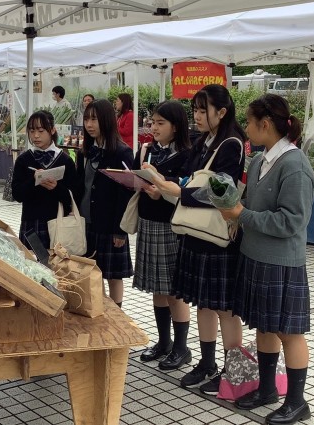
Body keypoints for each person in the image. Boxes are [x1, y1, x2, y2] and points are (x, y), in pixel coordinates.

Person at [220, 94, 314, 425]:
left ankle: (297, 402)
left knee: (289, 332)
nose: (245, 128)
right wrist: (233, 208)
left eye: (249, 122)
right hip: (255, 255)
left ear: (265, 124)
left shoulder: (295, 165)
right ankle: (267, 389)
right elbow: (252, 205)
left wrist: (241, 215)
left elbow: (292, 221)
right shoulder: (260, 160)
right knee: (264, 325)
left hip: (281, 262)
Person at [150, 84, 245, 395]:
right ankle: (207, 363)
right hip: (195, 232)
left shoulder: (231, 144)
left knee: (224, 308)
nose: (198, 116)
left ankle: (232, 371)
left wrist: (180, 192)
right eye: (195, 110)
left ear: (222, 112)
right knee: (203, 302)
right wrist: (162, 181)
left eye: (203, 110)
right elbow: (189, 177)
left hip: (216, 236)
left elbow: (222, 192)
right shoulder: (203, 141)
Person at [133, 101, 192, 370]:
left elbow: (187, 193)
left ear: (175, 126)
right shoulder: (148, 150)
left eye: (160, 123)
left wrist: (162, 192)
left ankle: (181, 348)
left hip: (171, 225)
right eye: (152, 122)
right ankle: (164, 342)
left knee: (173, 290)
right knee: (157, 287)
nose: (154, 128)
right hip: (148, 221)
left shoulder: (187, 155)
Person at [74, 99, 133, 307]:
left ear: (106, 120)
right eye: (86, 119)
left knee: (113, 275)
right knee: (92, 271)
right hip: (86, 221)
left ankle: (117, 313)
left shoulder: (122, 152)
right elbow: (80, 185)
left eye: (94, 119)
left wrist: (120, 230)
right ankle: (98, 309)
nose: (89, 125)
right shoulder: (84, 152)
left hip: (109, 224)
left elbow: (125, 193)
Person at [11, 111, 78, 249]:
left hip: (58, 223)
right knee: (31, 261)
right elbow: (17, 194)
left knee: (57, 261)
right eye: (32, 131)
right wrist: (33, 181)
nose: (36, 135)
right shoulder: (24, 160)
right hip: (31, 223)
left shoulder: (65, 160)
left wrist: (56, 188)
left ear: (52, 130)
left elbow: (73, 197)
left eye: (41, 131)